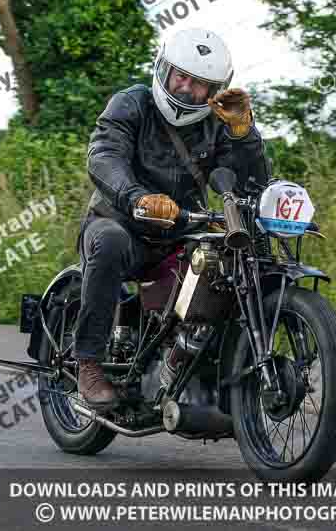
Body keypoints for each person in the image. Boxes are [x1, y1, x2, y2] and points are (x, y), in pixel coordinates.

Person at [74, 27, 271, 411]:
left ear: (215, 89)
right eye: (179, 75)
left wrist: (244, 132)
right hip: (119, 223)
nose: (185, 88)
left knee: (228, 267)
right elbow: (104, 156)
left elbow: (254, 183)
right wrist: (137, 197)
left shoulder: (217, 124)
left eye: (199, 84)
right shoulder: (131, 104)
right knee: (110, 242)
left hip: (182, 233)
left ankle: (196, 364)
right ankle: (89, 362)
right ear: (162, 70)